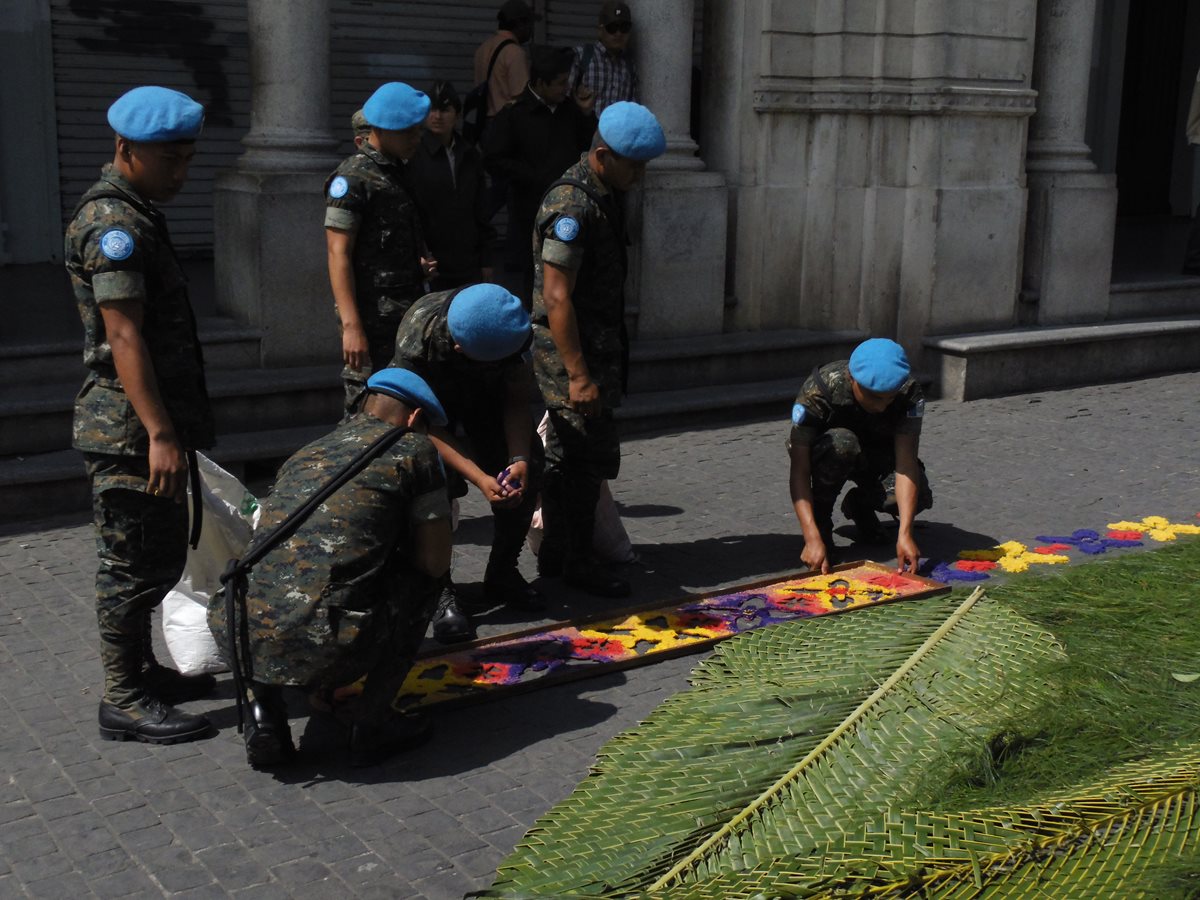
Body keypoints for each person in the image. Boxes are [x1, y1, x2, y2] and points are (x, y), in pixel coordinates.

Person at [65, 86, 217, 744]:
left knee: (155, 556)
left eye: (187, 159)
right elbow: (123, 337)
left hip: (157, 423)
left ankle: (144, 671)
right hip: (128, 431)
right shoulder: (115, 225)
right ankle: (123, 696)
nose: (180, 173)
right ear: (126, 149)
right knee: (129, 564)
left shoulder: (139, 211)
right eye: (169, 160)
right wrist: (158, 433)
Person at [208, 369, 453, 769]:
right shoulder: (414, 450)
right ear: (413, 420)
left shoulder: (309, 451)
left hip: (238, 630)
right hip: (330, 641)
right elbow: (434, 560)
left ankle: (265, 716)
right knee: (423, 580)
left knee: (272, 586)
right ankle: (372, 724)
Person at [531, 101, 665, 597]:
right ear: (603, 155)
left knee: (582, 458)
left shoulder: (604, 192)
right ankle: (573, 561)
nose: (640, 174)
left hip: (597, 351)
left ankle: (561, 555)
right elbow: (556, 294)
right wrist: (578, 374)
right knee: (578, 460)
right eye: (634, 164)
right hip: (573, 357)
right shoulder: (572, 205)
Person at [388, 283, 543, 642]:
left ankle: (502, 573)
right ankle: (440, 590)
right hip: (426, 410)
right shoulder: (420, 333)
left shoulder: (511, 330)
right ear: (458, 347)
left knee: (531, 468)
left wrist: (517, 460)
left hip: (484, 402)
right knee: (429, 485)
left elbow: (516, 401)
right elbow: (420, 423)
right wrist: (478, 477)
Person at [325, 82, 436, 416]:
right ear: (383, 130)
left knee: (403, 408)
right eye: (410, 133)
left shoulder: (396, 171)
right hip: (372, 322)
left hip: (404, 314)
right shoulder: (353, 178)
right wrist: (352, 327)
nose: (418, 140)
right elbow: (337, 253)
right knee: (365, 411)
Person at [786, 338, 933, 576]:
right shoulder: (819, 390)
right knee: (843, 443)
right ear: (851, 379)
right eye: (875, 397)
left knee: (919, 495)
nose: (884, 406)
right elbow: (799, 470)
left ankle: (860, 505)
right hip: (831, 456)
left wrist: (905, 534)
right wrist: (811, 536)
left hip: (876, 456)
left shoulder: (908, 392)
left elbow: (906, 465)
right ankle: (821, 524)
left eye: (890, 398)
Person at [485, 45, 597, 302]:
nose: (565, 89)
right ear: (540, 83)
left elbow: (590, 145)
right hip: (529, 210)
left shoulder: (570, 110)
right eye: (559, 84)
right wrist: (534, 176)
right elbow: (493, 159)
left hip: (569, 210)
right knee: (530, 275)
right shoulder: (515, 114)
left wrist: (586, 113)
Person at [405, 81, 494, 291]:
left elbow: (481, 210)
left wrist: (487, 260)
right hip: (431, 260)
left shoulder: (470, 154)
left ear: (457, 115)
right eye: (432, 110)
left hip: (468, 260)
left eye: (444, 110)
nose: (437, 116)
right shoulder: (413, 154)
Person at [569, 1, 639, 117]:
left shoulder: (630, 67)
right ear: (600, 31)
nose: (618, 34)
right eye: (612, 28)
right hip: (584, 133)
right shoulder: (581, 56)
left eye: (624, 28)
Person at [474, 0, 536, 125]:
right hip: (505, 125)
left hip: (484, 124)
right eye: (530, 23)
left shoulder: (482, 48)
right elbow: (520, 97)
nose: (531, 29)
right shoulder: (514, 53)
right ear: (520, 24)